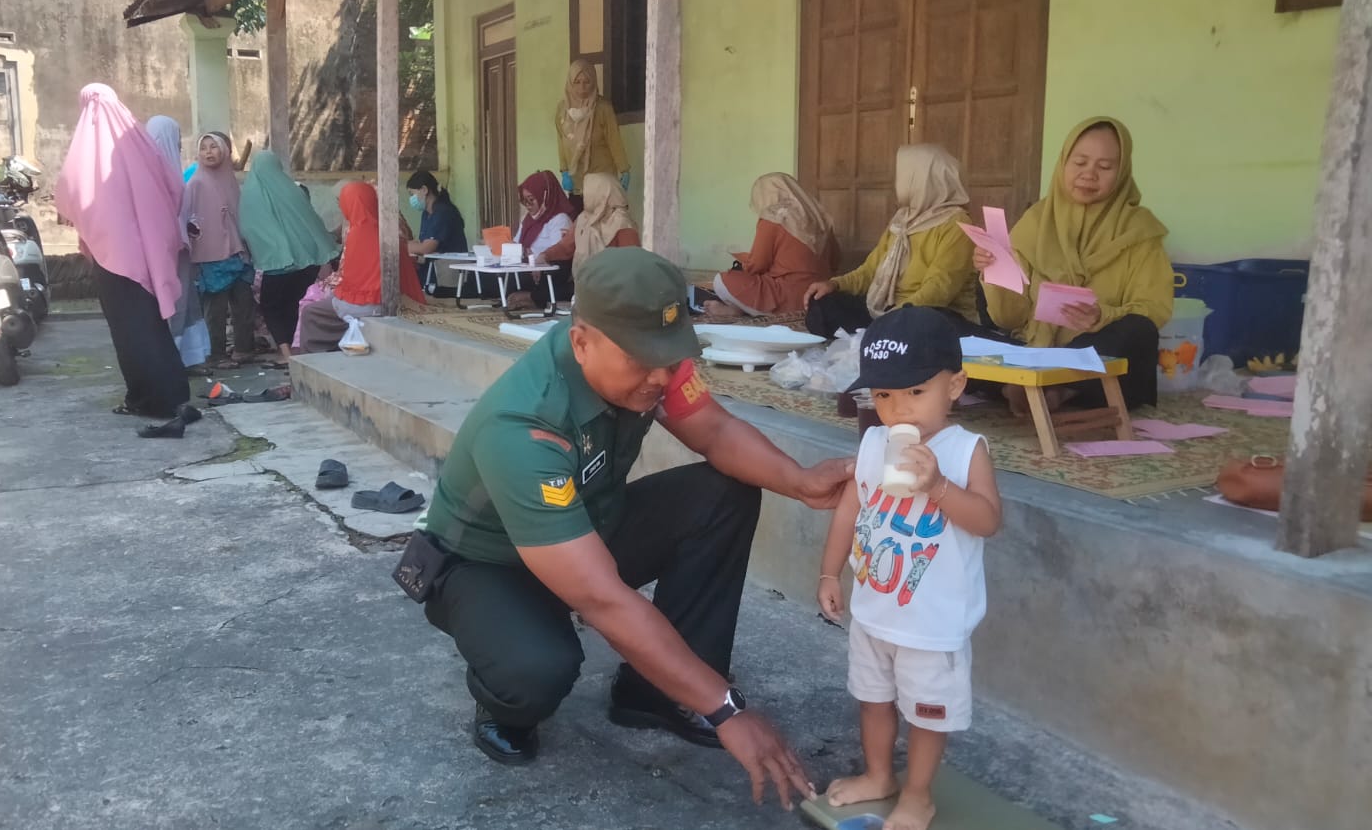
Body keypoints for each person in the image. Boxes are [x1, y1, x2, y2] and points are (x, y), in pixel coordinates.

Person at [402, 248, 855, 810]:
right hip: (487, 567)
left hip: (586, 526)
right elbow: (603, 599)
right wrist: (729, 710)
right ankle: (501, 701)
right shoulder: (523, 425)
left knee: (721, 493)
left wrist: (802, 481)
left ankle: (653, 694)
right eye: (645, 361)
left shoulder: (651, 359)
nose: (662, 376)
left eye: (671, 359)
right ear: (583, 340)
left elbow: (712, 431)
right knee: (540, 668)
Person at [816, 306, 1002, 830]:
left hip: (932, 624)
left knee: (926, 714)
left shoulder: (966, 452)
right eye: (883, 396)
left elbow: (987, 520)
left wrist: (939, 487)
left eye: (915, 393)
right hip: (875, 611)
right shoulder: (875, 442)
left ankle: (918, 794)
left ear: (955, 385)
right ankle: (879, 775)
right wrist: (831, 573)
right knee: (873, 701)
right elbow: (851, 511)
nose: (898, 410)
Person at [975, 117, 1172, 412]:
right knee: (943, 330)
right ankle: (1035, 383)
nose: (1089, 175)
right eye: (1079, 162)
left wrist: (1101, 317)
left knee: (1138, 332)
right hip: (1033, 348)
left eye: (1104, 167)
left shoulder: (1140, 230)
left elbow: (1154, 308)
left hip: (1091, 354)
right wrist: (994, 272)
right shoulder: (1036, 222)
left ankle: (1055, 389)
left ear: (1122, 173)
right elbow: (1008, 320)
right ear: (1063, 162)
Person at [54, 85, 196, 426]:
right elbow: (174, 187)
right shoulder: (140, 141)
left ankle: (146, 400)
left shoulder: (88, 147)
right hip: (148, 250)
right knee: (152, 323)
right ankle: (174, 395)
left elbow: (70, 192)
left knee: (130, 330)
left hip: (112, 256)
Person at [805, 145, 978, 337]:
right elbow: (870, 271)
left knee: (920, 323)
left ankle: (880, 335)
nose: (897, 181)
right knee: (823, 304)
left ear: (922, 180)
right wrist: (834, 284)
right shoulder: (902, 220)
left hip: (930, 312)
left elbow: (940, 288)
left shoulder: (957, 223)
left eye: (904, 175)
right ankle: (881, 334)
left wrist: (899, 314)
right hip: (889, 309)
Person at [296, 181, 426, 353]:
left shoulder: (357, 233)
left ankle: (313, 357)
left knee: (311, 312)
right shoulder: (388, 229)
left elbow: (351, 283)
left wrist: (336, 295)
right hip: (397, 299)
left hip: (369, 304)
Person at [239, 151, 338, 366]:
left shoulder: (251, 196)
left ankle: (285, 353)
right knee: (293, 304)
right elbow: (312, 222)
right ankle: (294, 347)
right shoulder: (294, 191)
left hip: (276, 264)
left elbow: (248, 228)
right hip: (306, 262)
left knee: (271, 307)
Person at [707, 173, 839, 318]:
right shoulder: (821, 219)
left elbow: (757, 265)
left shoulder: (773, 217)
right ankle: (743, 309)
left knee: (721, 280)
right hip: (818, 296)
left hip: (786, 297)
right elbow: (835, 261)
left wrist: (744, 263)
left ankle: (746, 310)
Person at [145, 115, 212, 374]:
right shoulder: (153, 174)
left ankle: (190, 358)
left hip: (178, 248)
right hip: (163, 251)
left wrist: (188, 228)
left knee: (186, 301)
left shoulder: (172, 170)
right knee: (172, 302)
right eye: (177, 137)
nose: (181, 145)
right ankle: (169, 360)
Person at [184, 131, 257, 368]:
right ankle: (217, 355)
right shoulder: (195, 183)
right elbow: (188, 220)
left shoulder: (230, 181)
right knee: (215, 309)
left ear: (224, 151)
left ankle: (244, 349)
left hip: (237, 251)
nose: (208, 152)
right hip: (210, 255)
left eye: (213, 147)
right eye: (203, 148)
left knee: (243, 303)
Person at [555, 59, 630, 198]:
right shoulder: (562, 110)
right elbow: (561, 141)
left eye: (586, 82)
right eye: (577, 82)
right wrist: (564, 171)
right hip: (575, 181)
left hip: (601, 181)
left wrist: (624, 169)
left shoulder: (603, 108)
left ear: (594, 82)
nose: (582, 87)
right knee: (579, 219)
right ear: (570, 83)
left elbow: (615, 141)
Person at [507, 169, 579, 311]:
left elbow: (559, 254)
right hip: (528, 267)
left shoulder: (560, 219)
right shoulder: (528, 219)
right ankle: (532, 296)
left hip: (546, 271)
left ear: (545, 197)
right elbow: (516, 243)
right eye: (524, 200)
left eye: (531, 199)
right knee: (491, 277)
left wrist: (535, 258)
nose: (527, 205)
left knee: (545, 278)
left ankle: (533, 297)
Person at [571, 173, 640, 282]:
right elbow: (566, 246)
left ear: (600, 194)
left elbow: (632, 263)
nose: (583, 195)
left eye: (587, 191)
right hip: (587, 284)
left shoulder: (621, 222)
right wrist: (545, 255)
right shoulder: (585, 218)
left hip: (614, 287)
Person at [406, 170, 468, 257]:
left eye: (412, 194)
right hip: (434, 266)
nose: (411, 198)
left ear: (424, 190)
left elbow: (426, 248)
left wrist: (403, 246)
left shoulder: (443, 212)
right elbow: (423, 243)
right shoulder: (426, 214)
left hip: (450, 267)